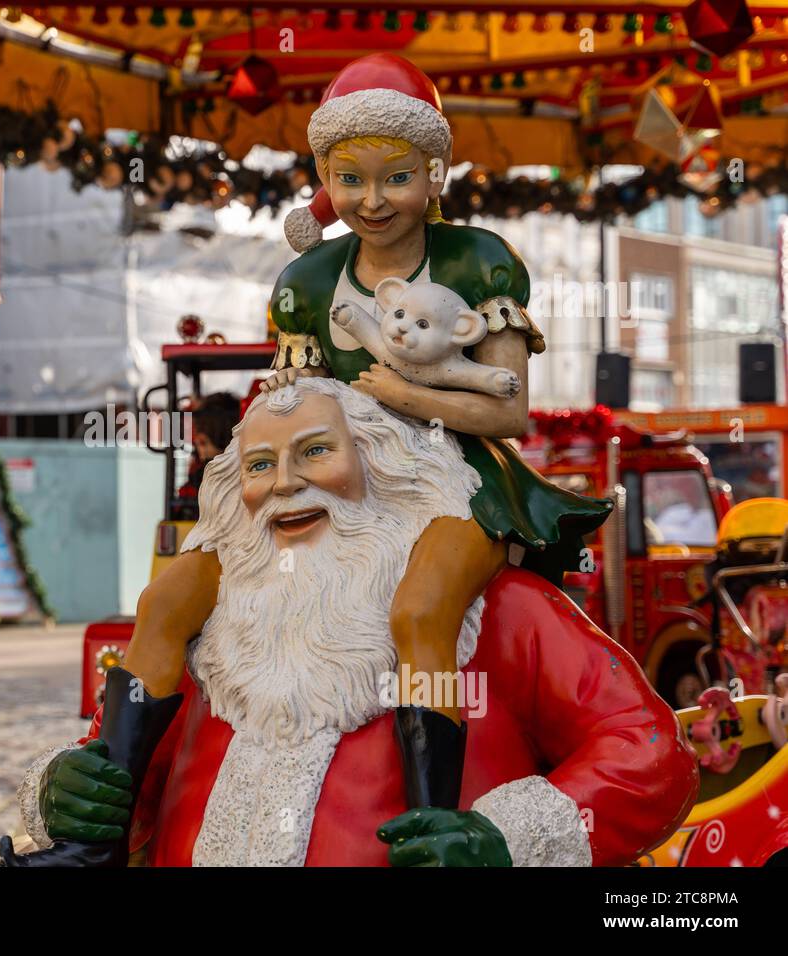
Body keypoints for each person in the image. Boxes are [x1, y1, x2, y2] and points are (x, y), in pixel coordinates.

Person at [95, 54, 613, 817]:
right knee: (167, 596)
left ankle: (432, 816)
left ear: (435, 173)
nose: (373, 201)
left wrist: (403, 393)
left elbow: (507, 414)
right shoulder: (307, 282)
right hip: (336, 476)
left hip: (455, 474)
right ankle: (101, 822)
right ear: (325, 179)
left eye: (396, 177)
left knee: (419, 609)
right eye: (351, 179)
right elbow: (297, 396)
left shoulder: (479, 263)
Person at [0, 380, 698, 867]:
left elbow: (648, 753)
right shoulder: (212, 621)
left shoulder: (500, 612)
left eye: (316, 454)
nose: (284, 485)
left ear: (384, 468)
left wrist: (506, 839)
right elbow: (125, 784)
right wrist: (67, 788)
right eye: (262, 464)